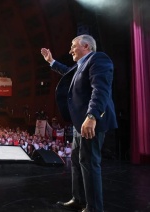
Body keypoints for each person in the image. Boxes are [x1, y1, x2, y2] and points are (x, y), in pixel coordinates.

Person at [41, 34, 117, 212]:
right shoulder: (80, 66)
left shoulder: (98, 59)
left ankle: (94, 208)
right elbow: (69, 72)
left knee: (89, 162)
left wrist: (92, 116)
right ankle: (79, 199)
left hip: (91, 120)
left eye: (73, 46)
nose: (70, 50)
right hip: (79, 123)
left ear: (86, 47)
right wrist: (51, 61)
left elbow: (100, 88)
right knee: (77, 161)